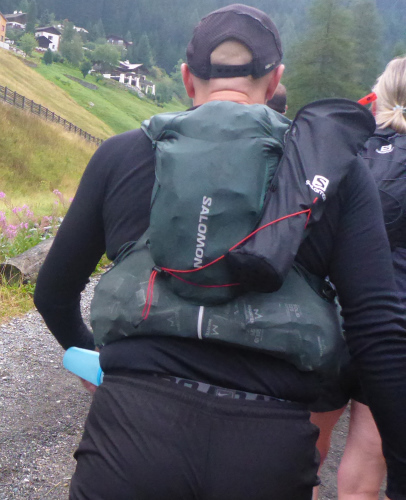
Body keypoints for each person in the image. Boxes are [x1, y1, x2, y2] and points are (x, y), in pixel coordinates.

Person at [33, 5, 406, 500]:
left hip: (128, 437)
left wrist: (99, 363)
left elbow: (53, 294)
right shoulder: (337, 173)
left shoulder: (119, 155)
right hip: (267, 452)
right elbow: (378, 331)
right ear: (275, 81)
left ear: (188, 79)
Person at [312, 56, 406, 500]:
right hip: (395, 328)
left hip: (329, 317)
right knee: (367, 468)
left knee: (305, 456)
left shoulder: (348, 149)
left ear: (379, 92)